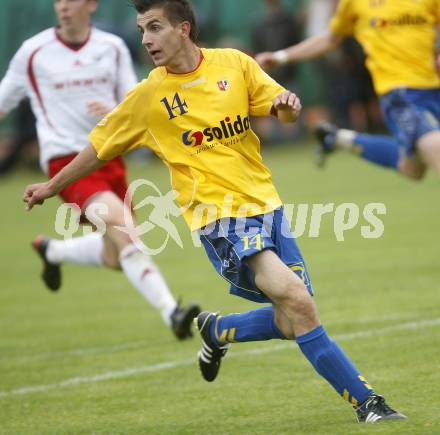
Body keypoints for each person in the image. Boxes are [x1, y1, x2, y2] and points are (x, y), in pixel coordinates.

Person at [22, 0, 406, 423]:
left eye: (154, 27)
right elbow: (98, 148)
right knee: (298, 302)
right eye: (142, 30)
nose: (146, 39)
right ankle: (369, 405)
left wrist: (288, 107)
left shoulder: (233, 64)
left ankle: (219, 329)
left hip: (267, 206)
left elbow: (279, 105)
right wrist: (52, 185)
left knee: (293, 315)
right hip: (219, 219)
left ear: (183, 28)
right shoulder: (149, 94)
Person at [0, 0, 200, 340]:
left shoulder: (113, 47)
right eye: (57, 1)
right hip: (66, 161)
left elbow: (132, 99)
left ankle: (53, 250)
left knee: (115, 254)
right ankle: (172, 313)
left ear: (90, 4)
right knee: (123, 229)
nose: (63, 6)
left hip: (109, 156)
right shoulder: (33, 52)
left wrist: (113, 108)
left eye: (71, 0)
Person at [256, 0, 440, 179]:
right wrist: (280, 56)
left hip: (434, 88)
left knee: (411, 169)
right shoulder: (354, 3)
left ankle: (338, 138)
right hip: (401, 92)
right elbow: (330, 38)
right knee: (434, 145)